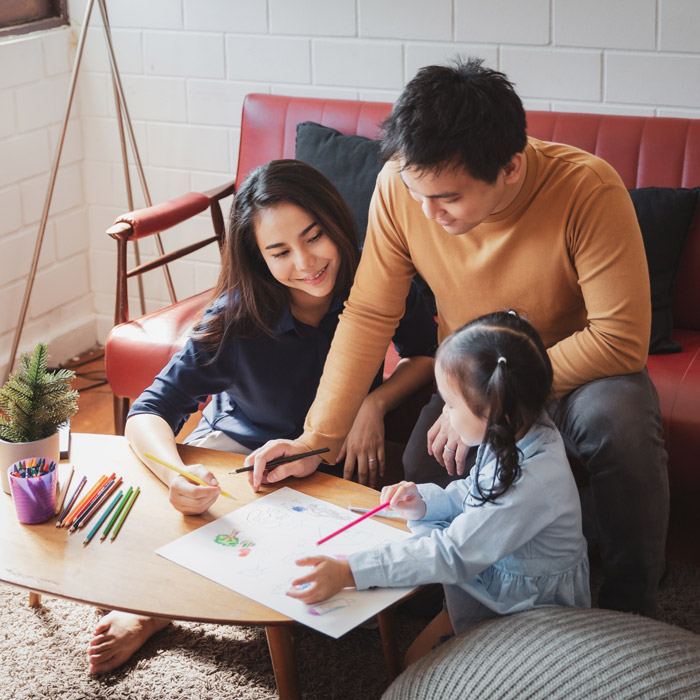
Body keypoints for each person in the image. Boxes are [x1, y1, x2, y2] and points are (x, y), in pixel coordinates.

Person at [247, 57, 669, 620]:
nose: (427, 212)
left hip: (580, 370)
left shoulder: (586, 187)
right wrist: (314, 440)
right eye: (417, 192)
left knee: (620, 426)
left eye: (446, 197)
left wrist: (485, 399)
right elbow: (370, 312)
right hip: (469, 375)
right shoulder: (401, 188)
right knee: (420, 488)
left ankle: (631, 606)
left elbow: (619, 338)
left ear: (511, 167)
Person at [87, 159, 437, 674]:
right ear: (258, 257)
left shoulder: (377, 279)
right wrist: (177, 476)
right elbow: (148, 413)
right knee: (177, 517)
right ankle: (152, 608)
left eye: (314, 237)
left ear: (337, 223)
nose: (306, 262)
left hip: (329, 458)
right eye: (280, 251)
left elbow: (426, 352)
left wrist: (374, 403)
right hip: (240, 457)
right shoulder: (235, 316)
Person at [287, 312, 590, 665]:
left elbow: (451, 554)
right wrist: (425, 502)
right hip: (493, 576)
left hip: (532, 614)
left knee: (426, 680)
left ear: (497, 411)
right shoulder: (515, 429)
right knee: (411, 663)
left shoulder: (531, 481)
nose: (443, 414)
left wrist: (348, 571)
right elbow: (475, 492)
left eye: (451, 404)